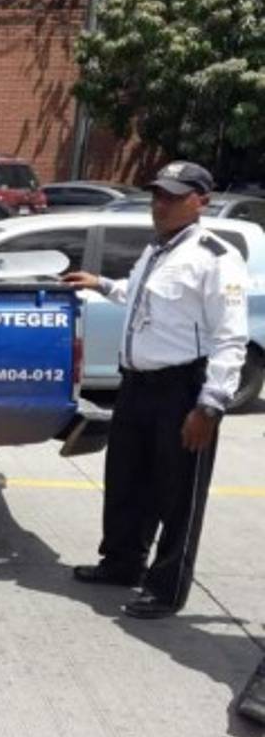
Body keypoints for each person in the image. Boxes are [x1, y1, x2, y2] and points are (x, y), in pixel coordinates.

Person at [65, 161, 249, 620]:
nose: (160, 204)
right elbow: (141, 298)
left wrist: (210, 405)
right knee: (127, 480)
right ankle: (122, 563)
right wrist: (102, 284)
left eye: (173, 196)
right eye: (157, 195)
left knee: (177, 494)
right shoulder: (157, 250)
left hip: (182, 390)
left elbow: (230, 338)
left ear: (201, 201)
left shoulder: (216, 258)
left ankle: (166, 589)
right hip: (137, 385)